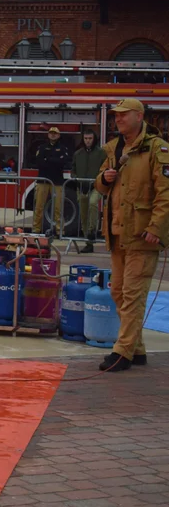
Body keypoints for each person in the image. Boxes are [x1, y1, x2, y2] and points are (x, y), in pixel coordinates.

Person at [94, 98, 169, 372]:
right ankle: (137, 349)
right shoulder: (114, 149)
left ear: (139, 116)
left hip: (142, 234)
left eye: (124, 115)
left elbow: (166, 194)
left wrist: (157, 228)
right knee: (118, 292)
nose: (118, 119)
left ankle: (122, 352)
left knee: (133, 294)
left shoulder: (157, 150)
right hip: (117, 234)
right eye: (116, 116)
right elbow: (100, 184)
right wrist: (105, 179)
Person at [31, 126, 70, 236]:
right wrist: (54, 161)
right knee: (38, 207)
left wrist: (48, 160)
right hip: (42, 181)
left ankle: (60, 231)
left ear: (59, 135)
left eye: (55, 133)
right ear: (48, 135)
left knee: (59, 208)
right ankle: (36, 230)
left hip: (57, 181)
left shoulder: (63, 148)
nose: (53, 135)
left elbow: (63, 162)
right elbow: (39, 162)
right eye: (51, 133)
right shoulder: (42, 147)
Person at [73, 129, 107, 253]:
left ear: (94, 139)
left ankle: (93, 230)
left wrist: (97, 181)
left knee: (93, 203)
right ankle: (89, 242)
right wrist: (76, 179)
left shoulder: (101, 153)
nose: (88, 141)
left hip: (96, 186)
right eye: (86, 138)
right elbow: (73, 169)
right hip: (82, 187)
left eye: (90, 138)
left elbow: (105, 168)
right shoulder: (78, 154)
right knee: (83, 214)